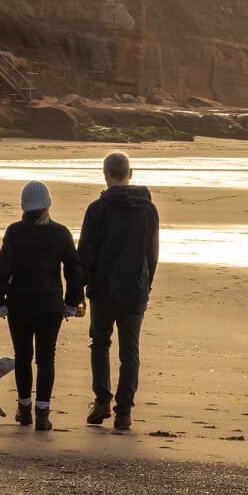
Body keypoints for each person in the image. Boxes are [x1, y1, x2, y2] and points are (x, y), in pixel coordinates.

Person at [0, 179, 83, 431]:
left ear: (24, 205)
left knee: (23, 357)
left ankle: (24, 409)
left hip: (19, 305)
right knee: (46, 358)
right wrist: (71, 304)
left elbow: (2, 269)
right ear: (47, 204)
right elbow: (74, 271)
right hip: (50, 306)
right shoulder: (61, 232)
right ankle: (43, 413)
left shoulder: (14, 231)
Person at [78, 152, 159, 431]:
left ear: (105, 174)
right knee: (130, 351)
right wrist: (146, 284)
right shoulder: (148, 209)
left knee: (100, 343)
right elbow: (152, 253)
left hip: (103, 290)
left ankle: (102, 400)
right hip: (135, 290)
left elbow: (85, 253)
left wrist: (78, 289)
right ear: (130, 173)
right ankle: (123, 411)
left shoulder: (97, 209)